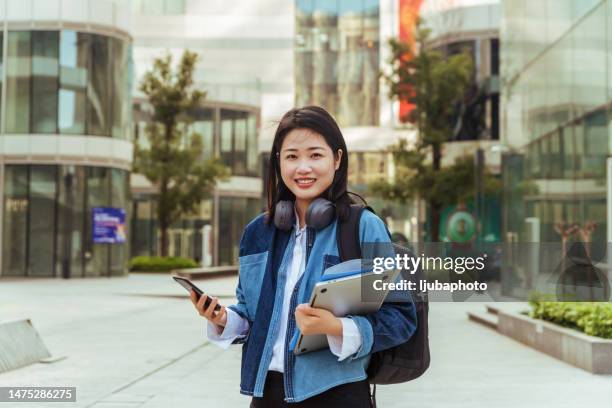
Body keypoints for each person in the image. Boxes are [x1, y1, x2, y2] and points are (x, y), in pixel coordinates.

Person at [190, 106, 417, 407]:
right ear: (278, 161)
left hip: (338, 393)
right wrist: (222, 318)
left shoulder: (363, 228)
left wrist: (335, 327)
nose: (303, 168)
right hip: (267, 393)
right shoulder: (258, 232)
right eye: (292, 156)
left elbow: (399, 317)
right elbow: (250, 315)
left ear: (337, 159)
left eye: (315, 155)